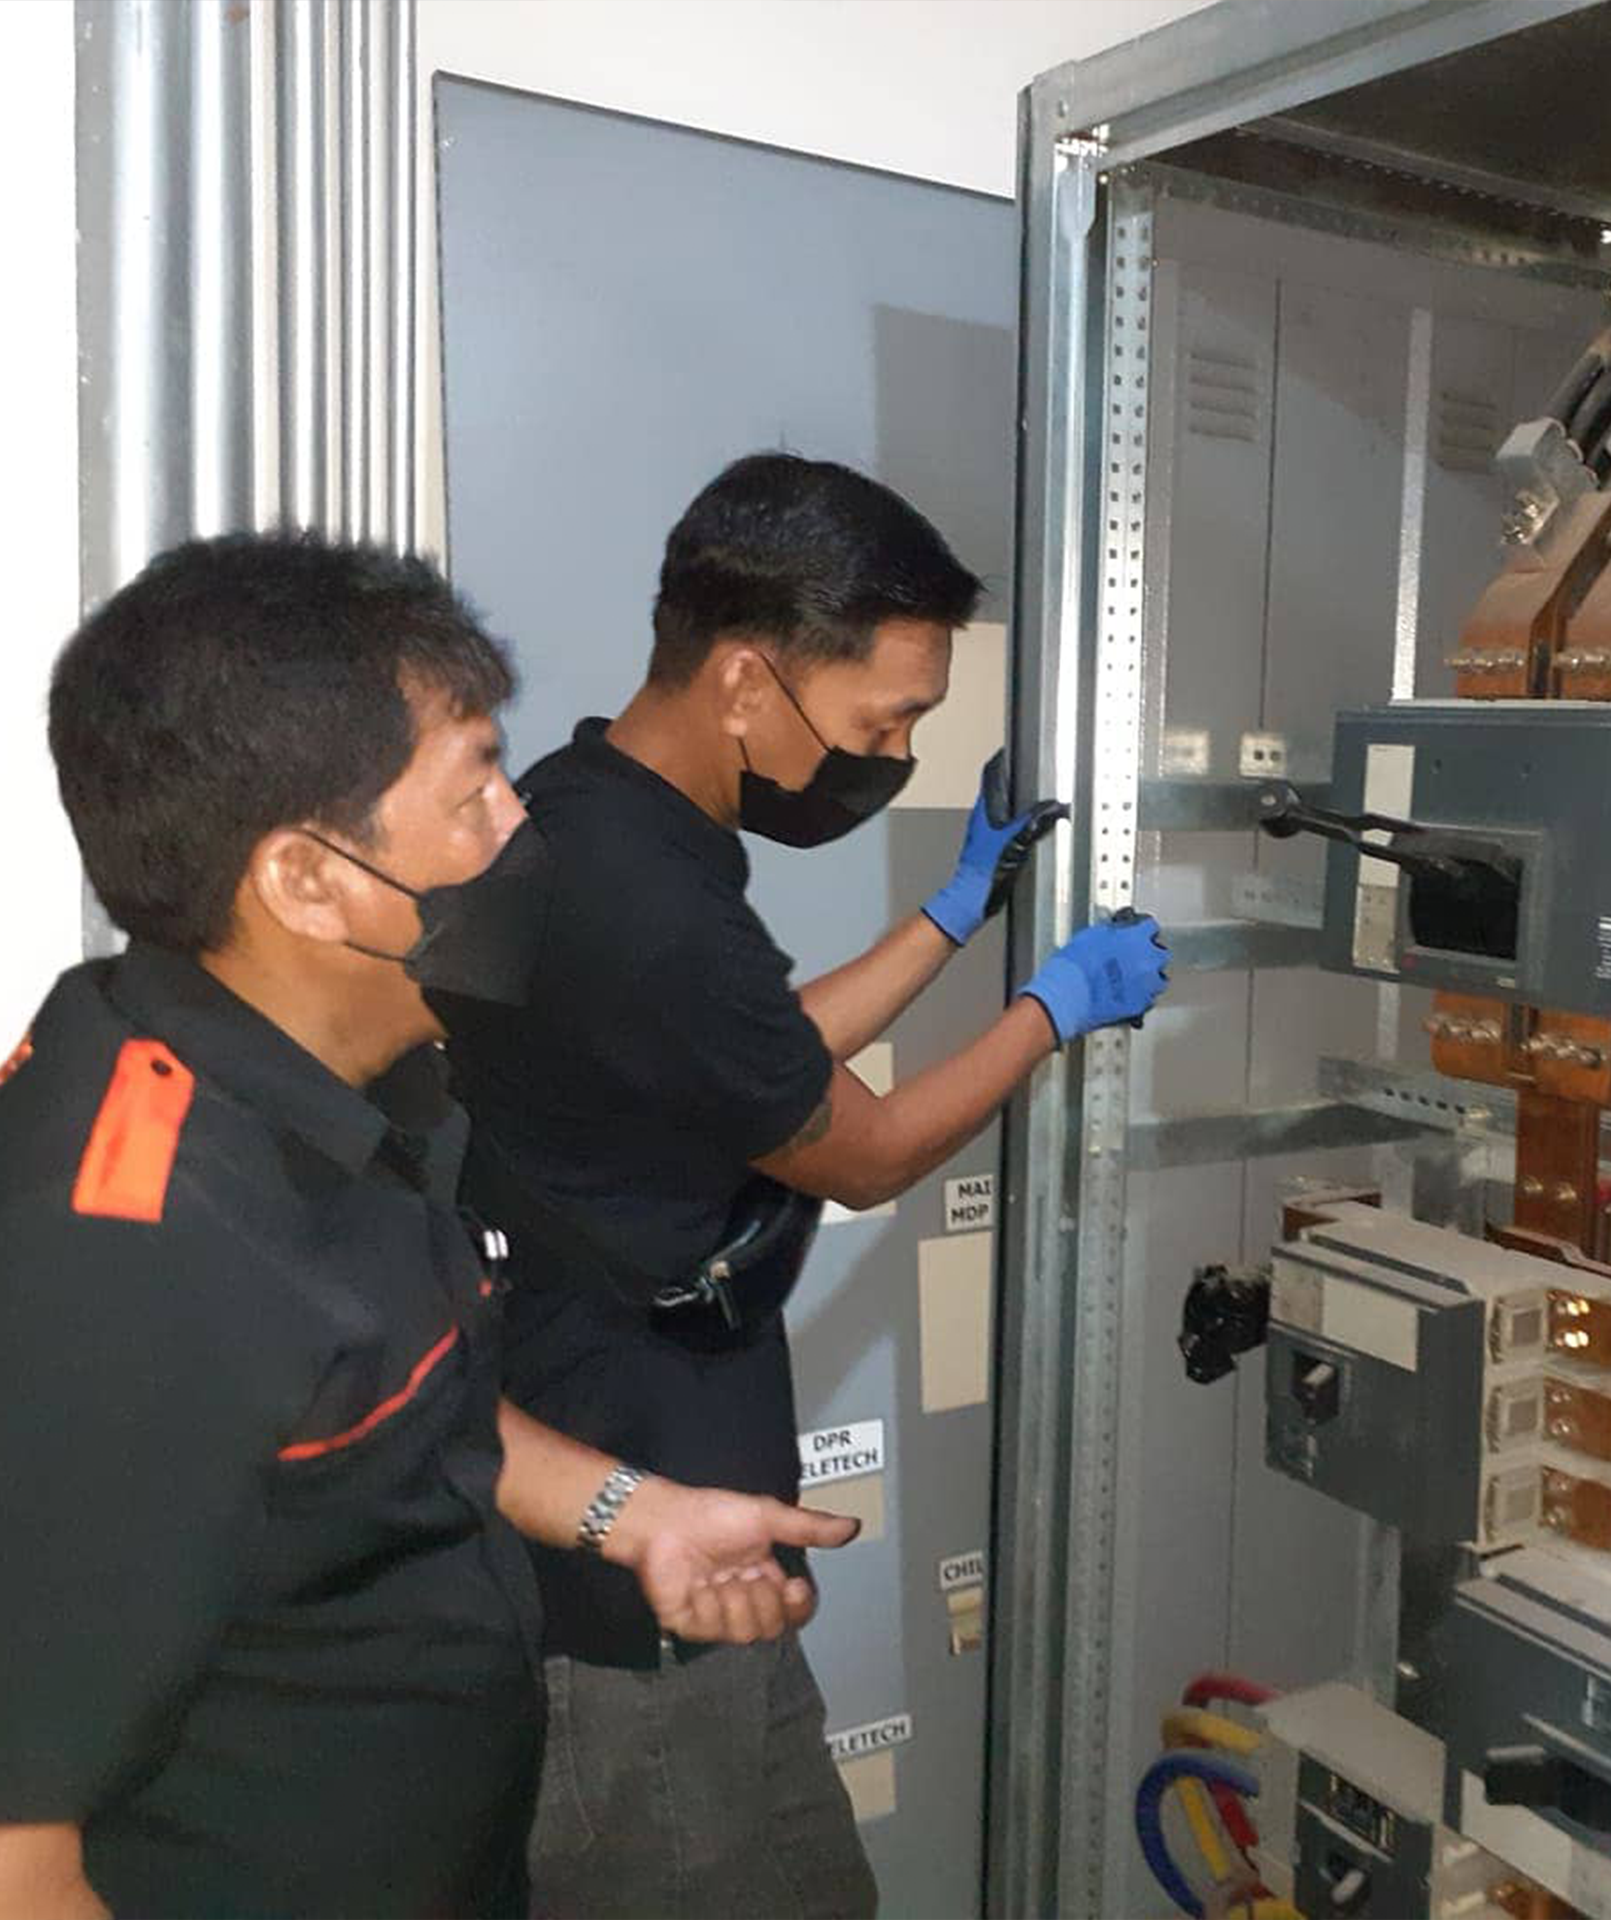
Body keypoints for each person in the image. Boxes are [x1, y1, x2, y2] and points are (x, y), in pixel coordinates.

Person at [0, 535, 860, 1920]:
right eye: (476, 792)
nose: (523, 831)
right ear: (308, 879)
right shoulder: (101, 1267)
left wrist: (634, 1515)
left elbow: (379, 1399)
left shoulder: (352, 1088)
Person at [442, 453, 1172, 1918]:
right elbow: (862, 1148)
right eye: (879, 720)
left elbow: (748, 1056)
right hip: (637, 1583)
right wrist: (1050, 1011)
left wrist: (949, 917)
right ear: (743, 681)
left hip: (687, 1526)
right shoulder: (647, 903)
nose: (889, 755)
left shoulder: (587, 809)